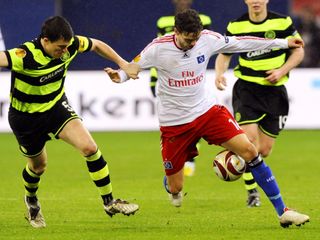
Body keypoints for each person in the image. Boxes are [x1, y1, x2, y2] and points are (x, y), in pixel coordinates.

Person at [106, 9, 309, 227]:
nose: (193, 43)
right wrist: (121, 76)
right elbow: (133, 66)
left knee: (250, 151)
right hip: (174, 123)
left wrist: (284, 43)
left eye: (196, 39)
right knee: (176, 188)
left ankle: (283, 211)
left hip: (207, 111)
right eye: (188, 39)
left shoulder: (207, 39)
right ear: (176, 31)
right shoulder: (158, 47)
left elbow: (243, 42)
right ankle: (171, 181)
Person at [0, 16, 139, 228]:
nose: (65, 51)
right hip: (25, 118)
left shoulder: (71, 44)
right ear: (45, 41)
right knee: (38, 167)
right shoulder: (24, 55)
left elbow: (98, 45)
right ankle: (31, 199)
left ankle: (109, 202)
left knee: (90, 148)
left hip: (56, 108)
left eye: (67, 46)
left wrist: (122, 64)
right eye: (60, 47)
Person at [215, 0, 305, 208]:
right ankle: (252, 192)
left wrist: (281, 71)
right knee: (249, 141)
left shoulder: (282, 23)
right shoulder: (235, 26)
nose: (256, 1)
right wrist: (219, 74)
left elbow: (299, 50)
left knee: (264, 150)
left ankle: (251, 180)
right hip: (247, 90)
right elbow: (224, 54)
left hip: (275, 93)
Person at [151, 0, 212, 177]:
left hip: (189, 78)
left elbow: (202, 49)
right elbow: (158, 50)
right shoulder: (163, 22)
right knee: (175, 120)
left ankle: (189, 158)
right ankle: (176, 160)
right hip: (164, 78)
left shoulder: (204, 20)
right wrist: (153, 78)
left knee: (195, 116)